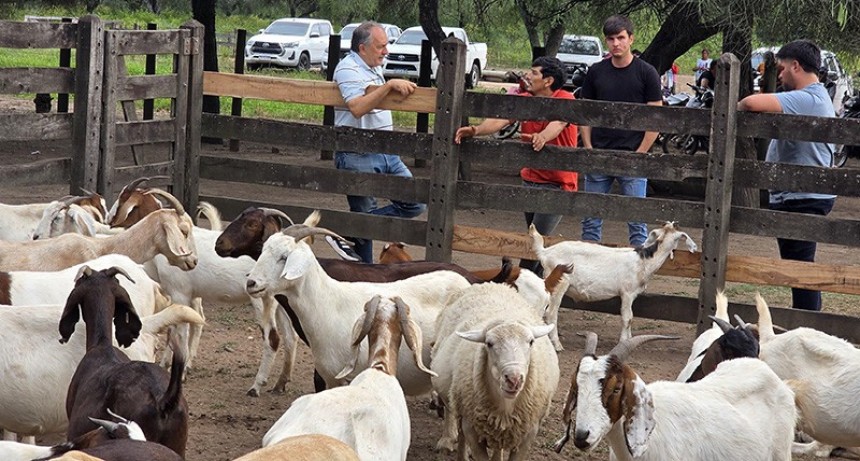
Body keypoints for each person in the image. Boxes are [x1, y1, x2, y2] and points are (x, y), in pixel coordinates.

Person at [454, 57, 578, 276]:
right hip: (530, 180)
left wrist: (542, 136)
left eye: (534, 73)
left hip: (557, 184)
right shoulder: (524, 100)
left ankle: (516, 283)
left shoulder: (565, 98)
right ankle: (536, 294)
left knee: (534, 244)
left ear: (548, 81)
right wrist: (475, 130)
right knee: (537, 243)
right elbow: (501, 121)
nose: (528, 76)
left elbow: (558, 123)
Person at [737, 39, 837, 311]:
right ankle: (807, 325)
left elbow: (750, 102)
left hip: (804, 196)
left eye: (781, 69)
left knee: (801, 272)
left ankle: (808, 326)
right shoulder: (814, 97)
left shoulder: (808, 97)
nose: (778, 75)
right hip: (797, 195)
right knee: (798, 270)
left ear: (796, 66)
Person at [328, 21, 426, 263]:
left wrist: (385, 85)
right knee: (364, 216)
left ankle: (350, 231)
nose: (386, 51)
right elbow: (357, 107)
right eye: (381, 46)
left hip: (386, 151)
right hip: (358, 153)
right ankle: (364, 272)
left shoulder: (371, 67)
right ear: (363, 48)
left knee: (415, 203)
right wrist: (389, 85)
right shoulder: (348, 68)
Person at [578, 14, 662, 246]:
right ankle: (588, 273)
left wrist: (641, 151)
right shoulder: (596, 71)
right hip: (600, 152)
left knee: (636, 221)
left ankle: (639, 277)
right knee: (591, 219)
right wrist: (588, 146)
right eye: (611, 39)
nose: (616, 43)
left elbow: (657, 116)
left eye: (621, 38)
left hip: (632, 154)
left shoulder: (647, 73)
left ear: (631, 39)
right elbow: (586, 112)